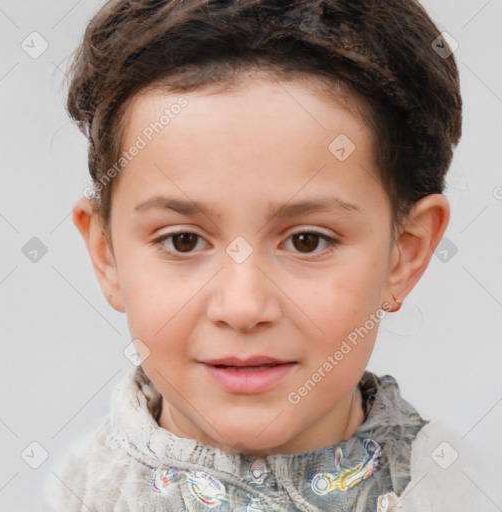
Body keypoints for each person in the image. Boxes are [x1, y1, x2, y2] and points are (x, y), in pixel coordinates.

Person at [45, 0, 479, 510]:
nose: (243, 307)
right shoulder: (68, 496)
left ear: (404, 254)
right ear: (107, 254)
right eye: (183, 240)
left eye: (306, 241)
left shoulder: (467, 491)